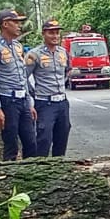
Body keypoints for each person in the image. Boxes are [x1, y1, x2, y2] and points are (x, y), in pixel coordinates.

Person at [0, 8, 38, 161]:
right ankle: (9, 178)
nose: (19, 25)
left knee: (30, 142)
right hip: (8, 101)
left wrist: (29, 102)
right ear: (5, 24)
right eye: (16, 22)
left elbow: (22, 77)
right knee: (11, 144)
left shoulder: (17, 46)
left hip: (23, 101)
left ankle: (31, 177)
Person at [26, 18, 71, 157]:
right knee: (44, 139)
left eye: (57, 33)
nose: (55, 36)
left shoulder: (63, 52)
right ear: (43, 34)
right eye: (51, 33)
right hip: (45, 103)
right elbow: (22, 77)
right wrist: (31, 98)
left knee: (62, 136)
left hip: (62, 103)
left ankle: (59, 169)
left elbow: (67, 70)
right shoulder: (34, 55)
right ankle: (41, 169)